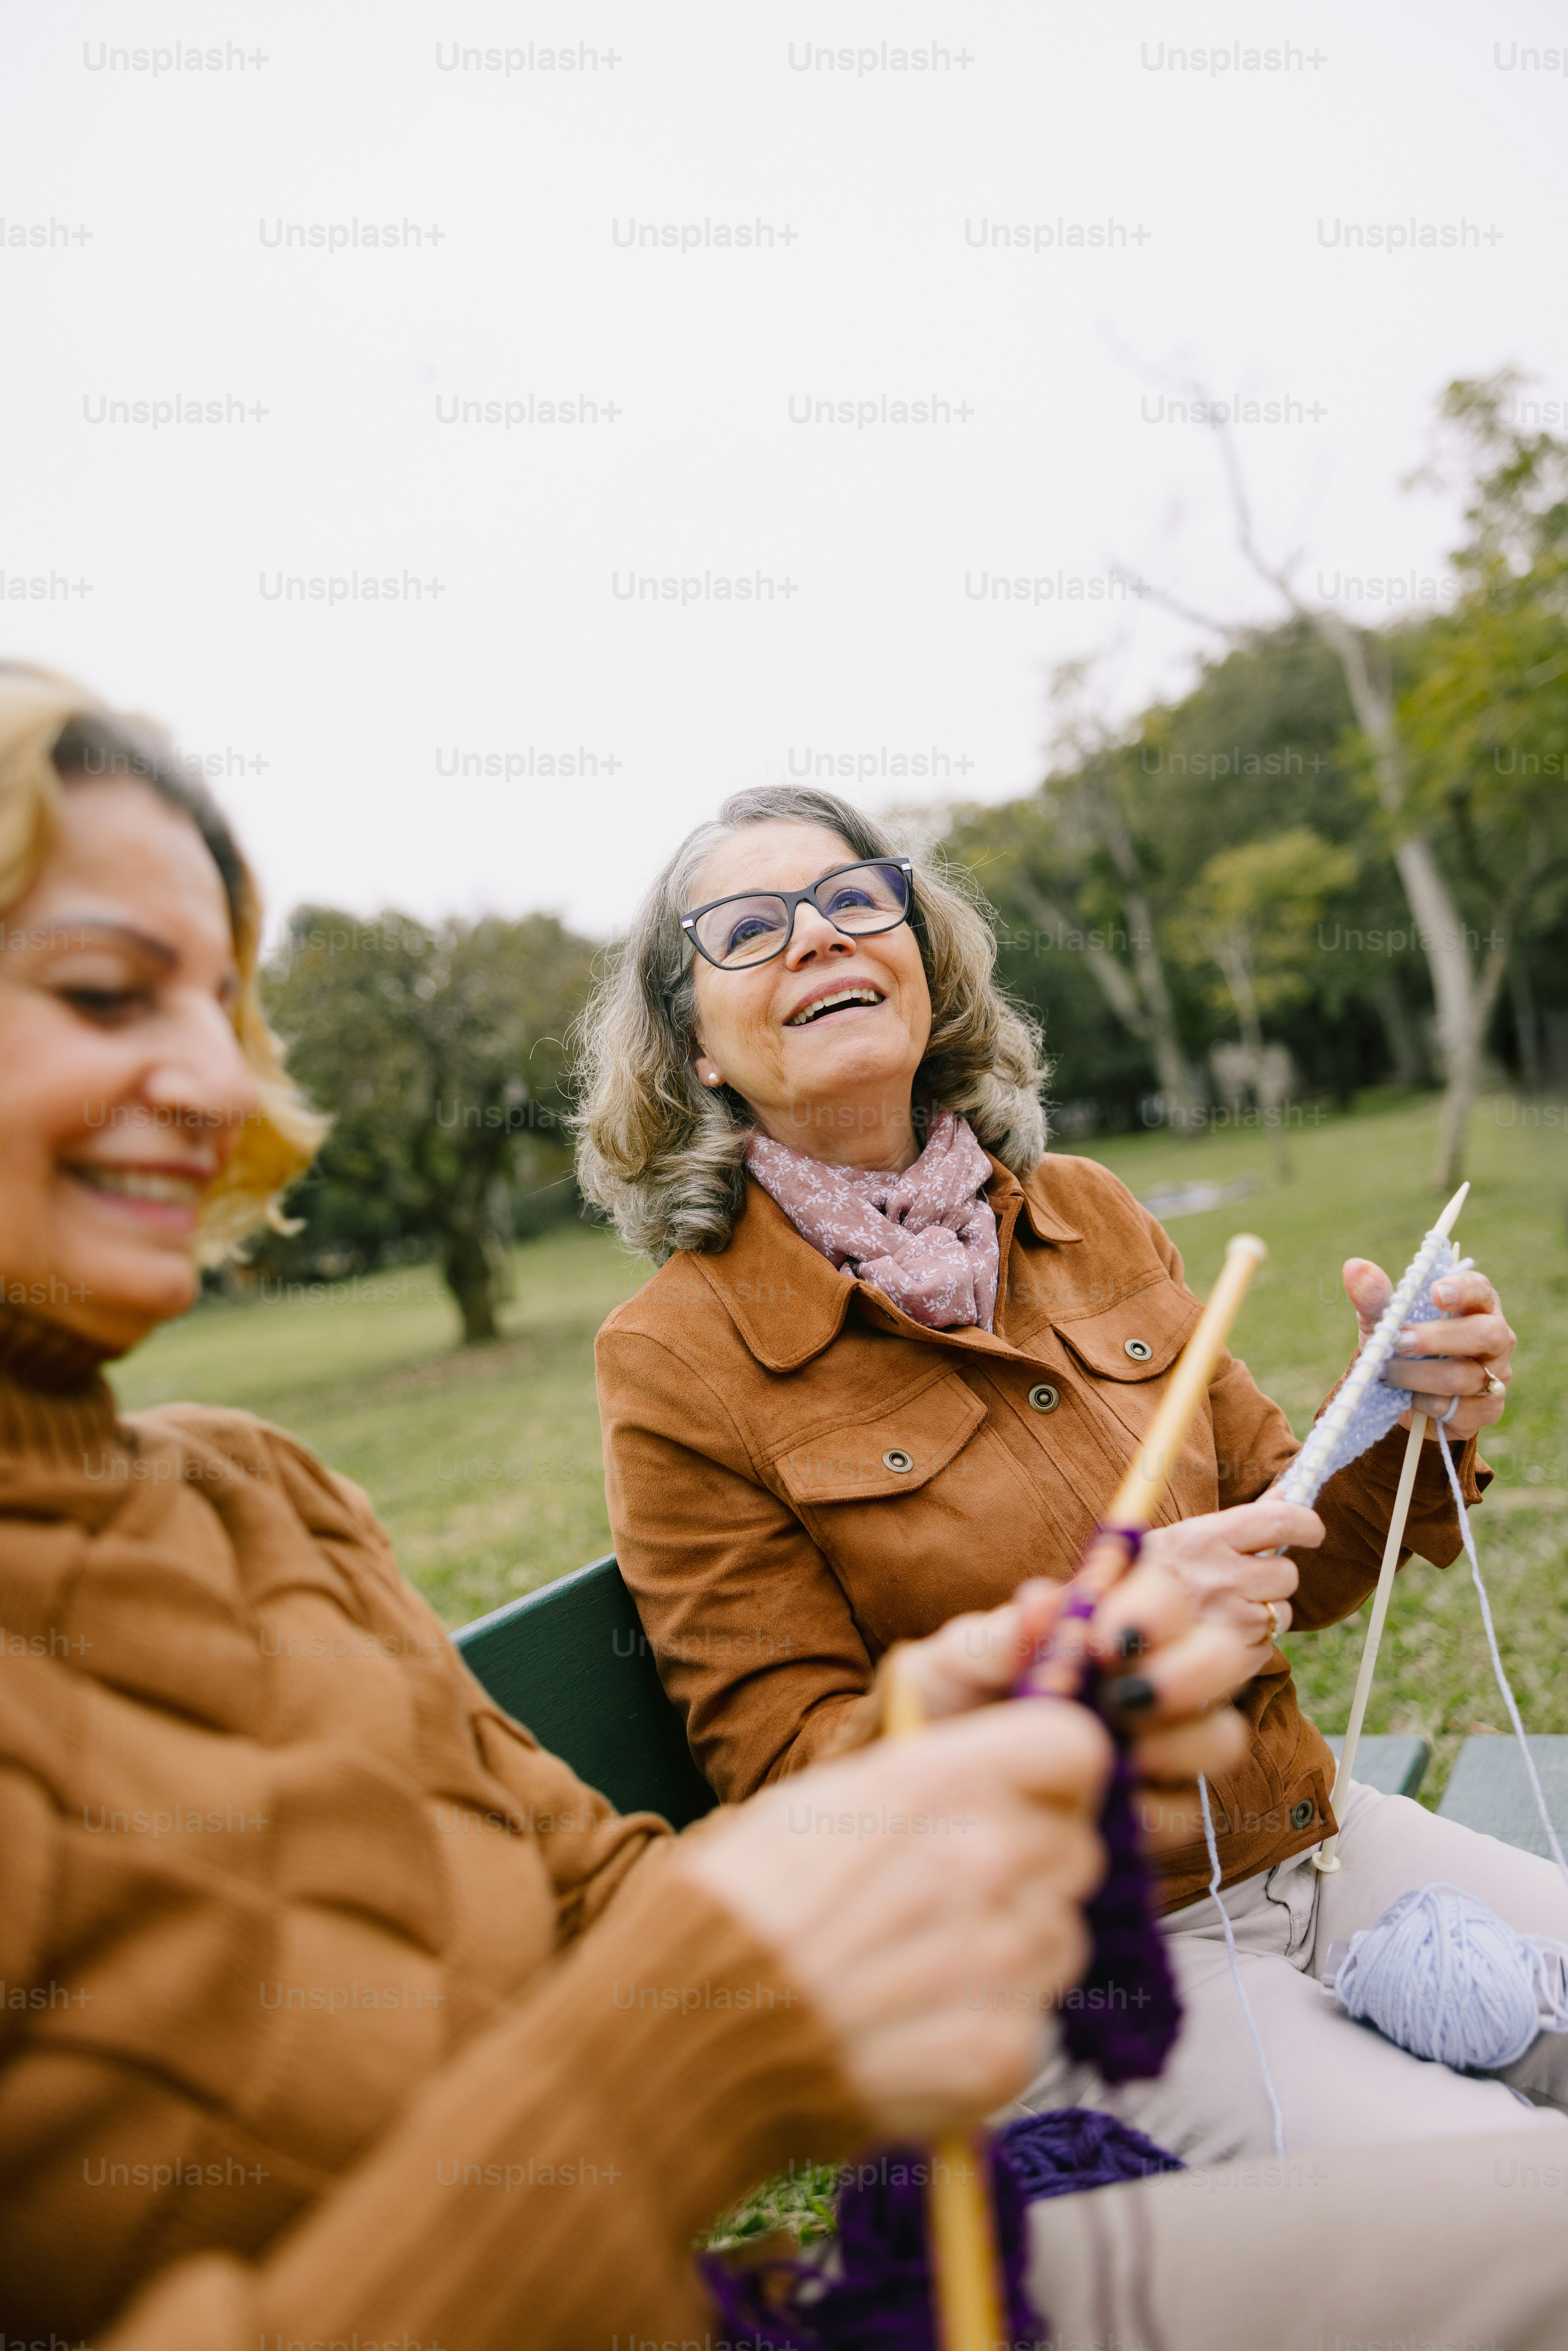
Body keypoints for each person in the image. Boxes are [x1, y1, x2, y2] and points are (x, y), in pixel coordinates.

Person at [0, 664, 1262, 2348]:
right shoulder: (672, 1355)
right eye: (103, 993)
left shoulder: (257, 1498)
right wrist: (693, 2061)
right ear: (687, 1050)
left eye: (218, 1009)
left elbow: (605, 1906)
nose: (215, 1088)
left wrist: (929, 1752)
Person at [581, 782, 1568, 2169]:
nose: (819, 938)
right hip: (1078, 1970)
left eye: (859, 900)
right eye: (749, 928)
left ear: (925, 965)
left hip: (1314, 1838)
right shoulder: (677, 1358)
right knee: (1527, 2191)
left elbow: (1314, 1562)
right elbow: (799, 1784)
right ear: (694, 1049)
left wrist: (1407, 1417)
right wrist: (1084, 1652)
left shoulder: (1087, 1210)